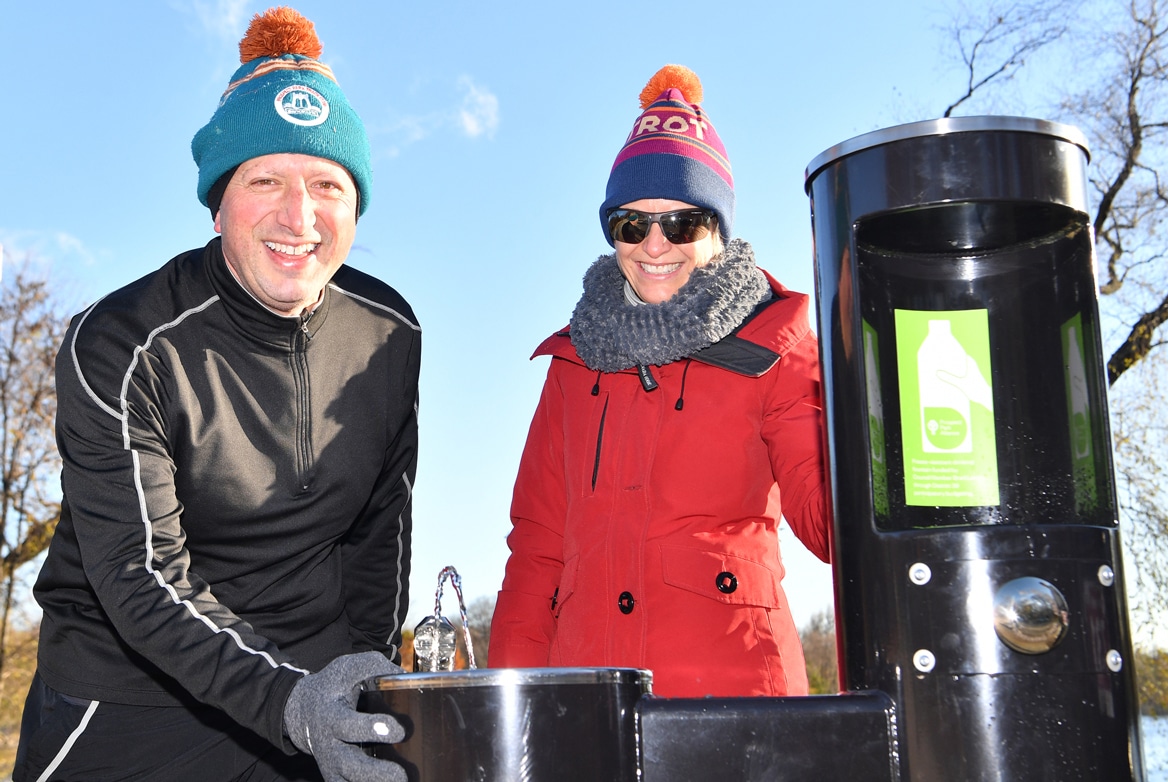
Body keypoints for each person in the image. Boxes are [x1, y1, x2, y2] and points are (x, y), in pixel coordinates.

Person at [14, 8, 416, 782]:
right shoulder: (120, 343)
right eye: (265, 179)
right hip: (131, 697)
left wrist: (355, 678)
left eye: (328, 185)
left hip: (310, 685)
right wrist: (287, 703)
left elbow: (380, 533)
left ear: (356, 205)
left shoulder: (391, 332)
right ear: (218, 200)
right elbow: (141, 575)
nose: (298, 217)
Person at [488, 65, 832, 698]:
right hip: (584, 699)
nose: (654, 245)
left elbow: (830, 523)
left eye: (682, 223)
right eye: (631, 223)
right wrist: (511, 705)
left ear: (717, 229)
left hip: (736, 703)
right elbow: (537, 547)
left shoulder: (774, 345)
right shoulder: (573, 362)